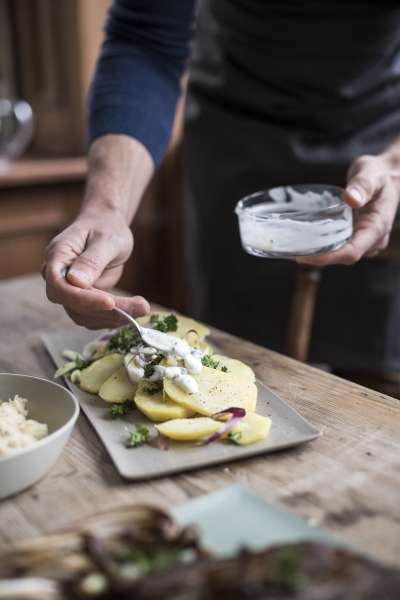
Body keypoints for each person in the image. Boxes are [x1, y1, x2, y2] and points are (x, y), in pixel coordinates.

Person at [43, 1, 400, 378]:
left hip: (379, 152)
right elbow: (145, 39)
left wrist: (394, 167)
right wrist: (107, 208)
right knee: (231, 369)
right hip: (234, 147)